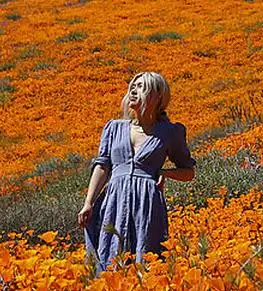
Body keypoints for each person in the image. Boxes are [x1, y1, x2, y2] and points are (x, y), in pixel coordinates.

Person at [78, 72, 196, 272]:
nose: (133, 91)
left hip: (147, 204)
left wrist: (166, 173)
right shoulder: (114, 128)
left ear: (158, 96)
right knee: (110, 257)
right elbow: (102, 166)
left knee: (147, 260)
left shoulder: (170, 132)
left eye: (141, 87)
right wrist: (88, 202)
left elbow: (188, 172)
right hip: (114, 202)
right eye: (132, 86)